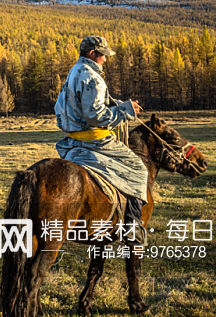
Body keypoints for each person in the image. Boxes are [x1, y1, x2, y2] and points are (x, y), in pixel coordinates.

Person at [54, 34, 148, 241]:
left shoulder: (74, 72)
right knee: (139, 170)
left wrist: (120, 104)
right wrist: (125, 113)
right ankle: (132, 228)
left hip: (73, 139)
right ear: (91, 53)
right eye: (102, 55)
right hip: (95, 139)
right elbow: (96, 116)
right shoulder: (91, 77)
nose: (105, 59)